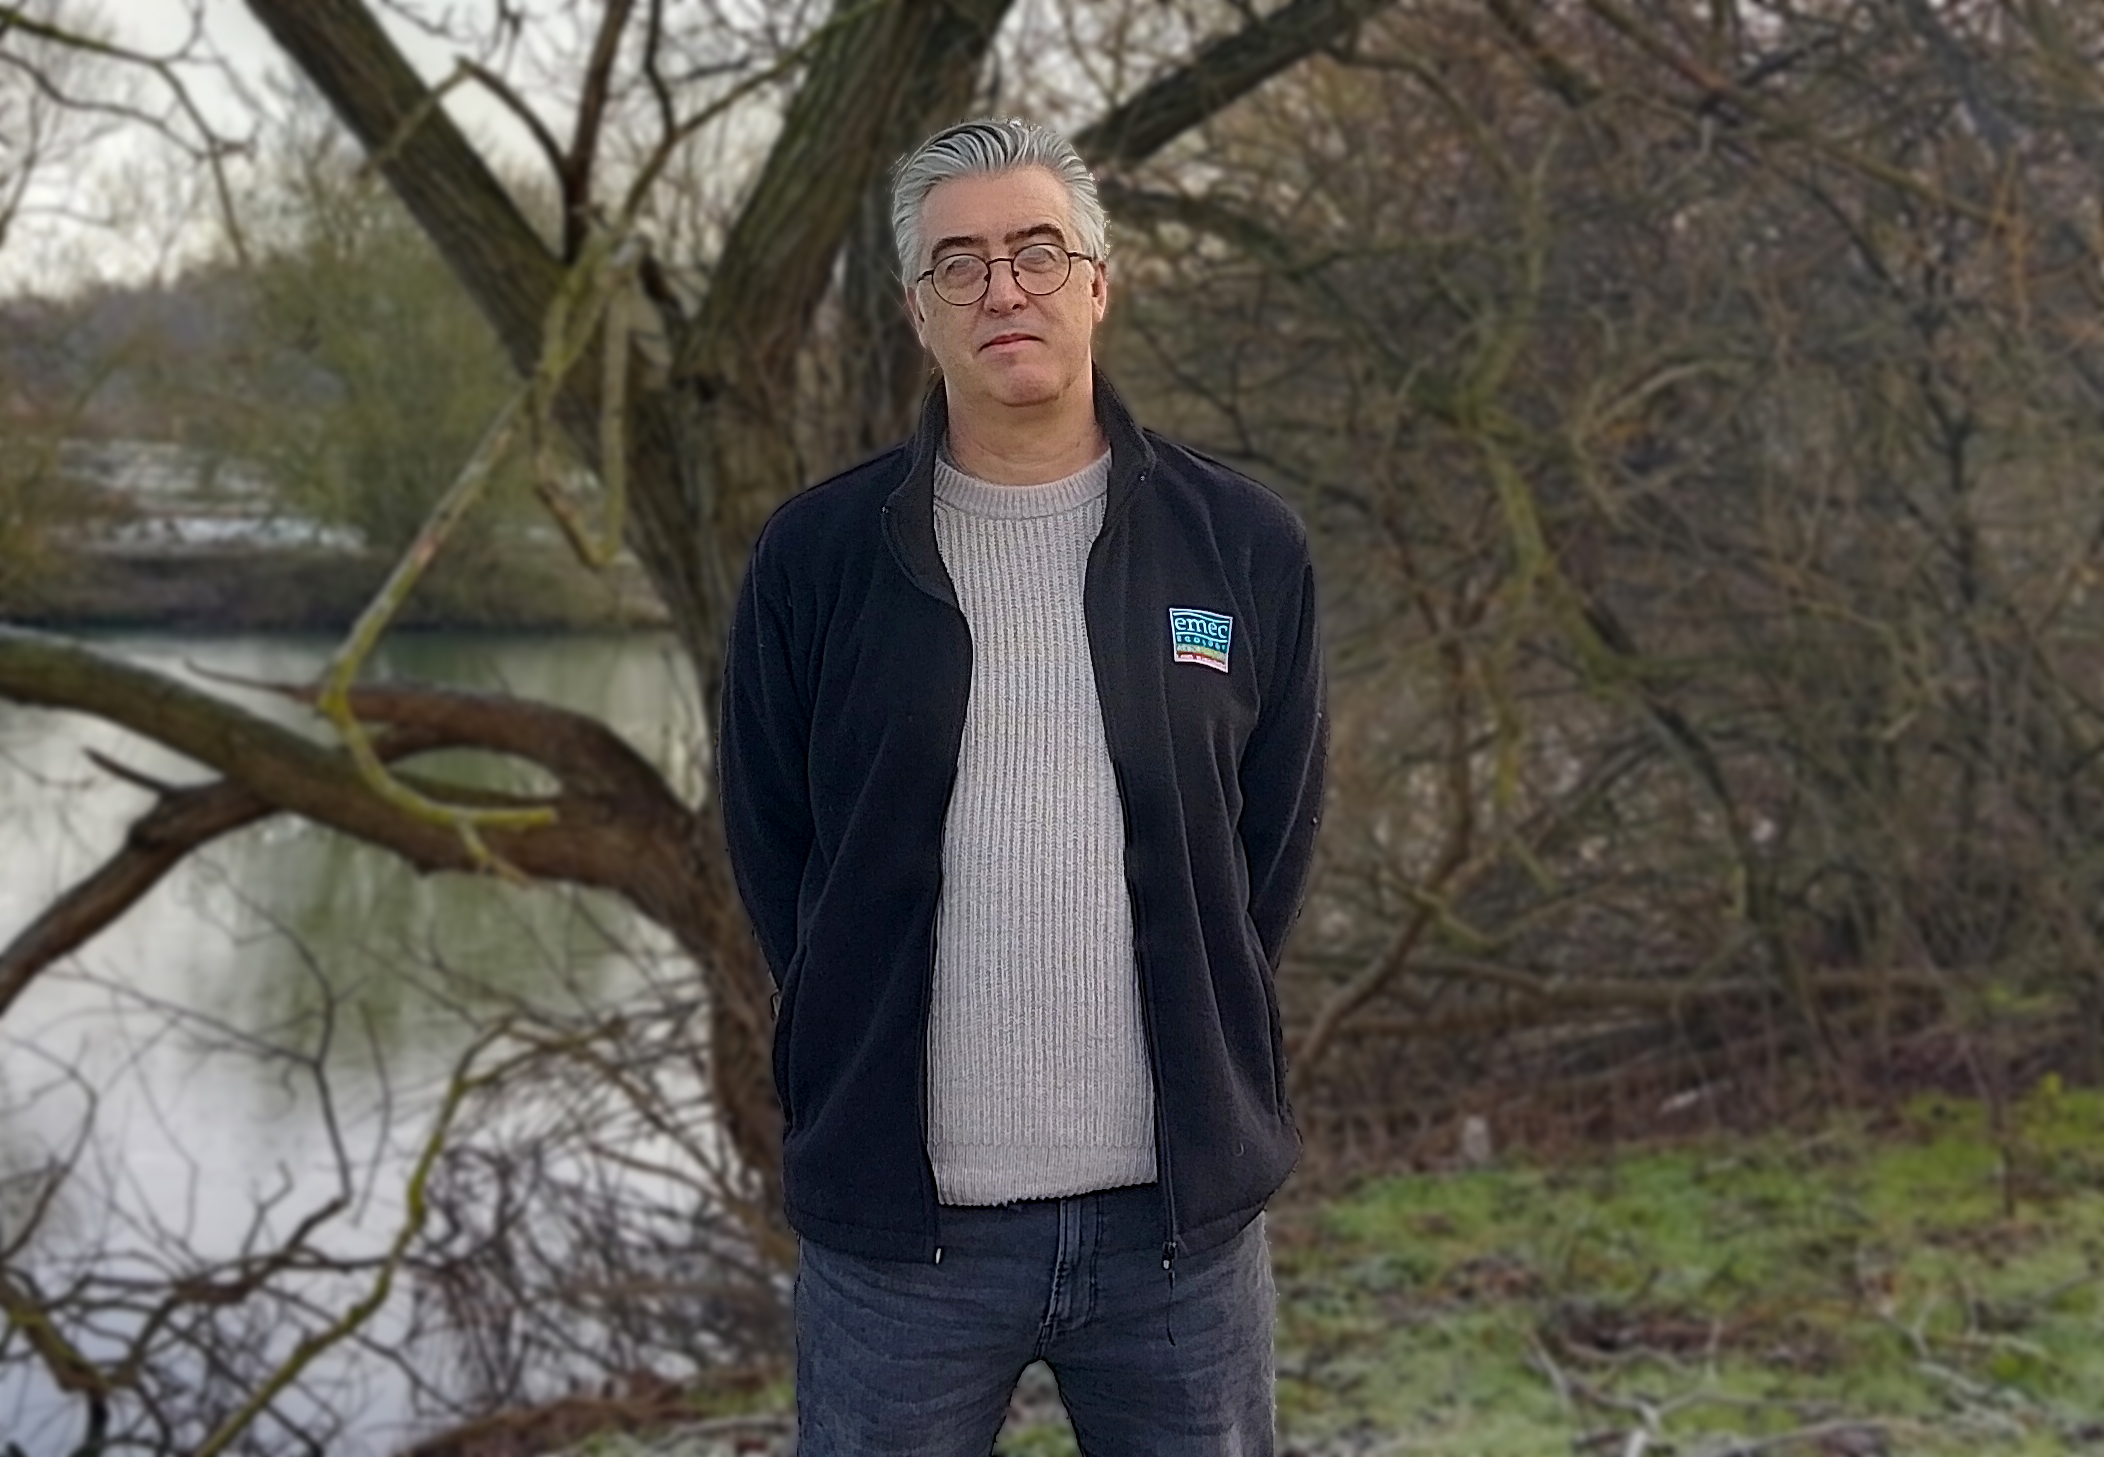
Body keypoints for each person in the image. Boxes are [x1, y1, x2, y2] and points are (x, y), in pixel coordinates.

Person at [719, 115, 1326, 1457]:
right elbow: (775, 848)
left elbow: (1263, 853)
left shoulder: (1245, 548)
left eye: (1037, 252)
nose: (1003, 287)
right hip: (902, 1239)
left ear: (1098, 281)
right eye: (960, 264)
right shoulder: (817, 559)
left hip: (1179, 1233)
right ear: (916, 313)